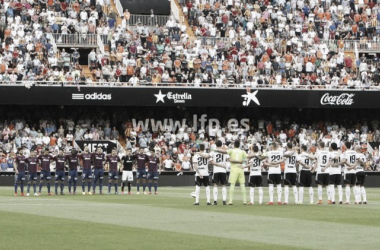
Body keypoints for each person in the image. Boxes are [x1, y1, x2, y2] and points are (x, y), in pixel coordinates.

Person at [216, 140, 247, 205]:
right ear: (239, 145)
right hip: (241, 169)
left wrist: (216, 150)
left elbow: (224, 152)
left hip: (234, 169)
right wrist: (243, 162)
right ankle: (244, 201)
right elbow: (247, 158)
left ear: (234, 145)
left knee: (232, 185)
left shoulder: (231, 150)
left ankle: (230, 201)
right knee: (242, 185)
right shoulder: (242, 151)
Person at [203, 140, 229, 205]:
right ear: (221, 145)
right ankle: (224, 201)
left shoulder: (213, 151)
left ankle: (215, 201)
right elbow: (229, 159)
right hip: (223, 170)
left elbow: (208, 157)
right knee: (223, 185)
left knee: (215, 185)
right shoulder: (225, 152)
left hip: (216, 170)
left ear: (216, 145)